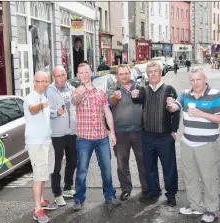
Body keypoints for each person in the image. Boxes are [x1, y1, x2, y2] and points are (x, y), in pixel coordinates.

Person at [167, 66, 220, 223]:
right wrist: (170, 104)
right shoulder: (185, 94)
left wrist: (202, 114)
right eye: (192, 80)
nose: (195, 83)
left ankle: (211, 210)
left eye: (198, 79)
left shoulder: (216, 95)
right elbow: (174, 107)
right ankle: (196, 206)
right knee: (190, 177)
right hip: (187, 143)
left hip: (206, 145)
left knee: (209, 179)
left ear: (205, 79)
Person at [71, 63, 121, 211]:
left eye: (86, 72)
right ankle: (78, 199)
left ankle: (110, 195)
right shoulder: (76, 91)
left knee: (106, 168)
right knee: (82, 170)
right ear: (78, 76)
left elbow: (107, 112)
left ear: (91, 73)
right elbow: (75, 101)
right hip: (84, 139)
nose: (84, 75)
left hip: (101, 138)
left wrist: (112, 132)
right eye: (81, 73)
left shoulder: (100, 91)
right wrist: (81, 90)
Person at [132, 61, 180, 207]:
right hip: (147, 136)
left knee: (169, 167)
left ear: (160, 73)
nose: (153, 74)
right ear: (147, 74)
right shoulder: (144, 91)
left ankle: (171, 195)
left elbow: (176, 111)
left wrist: (173, 130)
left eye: (155, 71)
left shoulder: (169, 89)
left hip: (164, 137)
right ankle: (154, 192)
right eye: (150, 71)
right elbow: (137, 99)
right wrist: (134, 95)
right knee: (149, 167)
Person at [107, 64, 148, 201]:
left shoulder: (139, 87)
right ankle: (126, 189)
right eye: (121, 74)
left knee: (143, 161)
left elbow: (145, 102)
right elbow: (111, 102)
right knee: (122, 164)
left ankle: (146, 189)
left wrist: (139, 96)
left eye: (126, 73)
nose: (124, 76)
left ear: (130, 73)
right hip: (120, 132)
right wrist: (115, 98)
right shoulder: (113, 89)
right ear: (117, 76)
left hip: (139, 132)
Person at [23, 71, 58, 223]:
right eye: (41, 81)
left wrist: (56, 112)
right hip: (36, 143)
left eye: (46, 81)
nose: (44, 84)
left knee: (44, 173)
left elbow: (46, 113)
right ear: (34, 82)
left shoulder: (43, 97)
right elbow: (32, 109)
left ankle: (42, 200)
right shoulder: (31, 97)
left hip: (46, 141)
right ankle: (37, 210)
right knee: (38, 176)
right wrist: (41, 104)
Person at [45, 66, 77, 206]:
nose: (62, 77)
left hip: (72, 131)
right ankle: (57, 193)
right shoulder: (49, 91)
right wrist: (55, 113)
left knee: (72, 161)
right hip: (57, 134)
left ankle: (68, 187)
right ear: (53, 77)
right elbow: (45, 111)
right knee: (56, 166)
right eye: (59, 75)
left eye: (64, 74)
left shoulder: (71, 88)